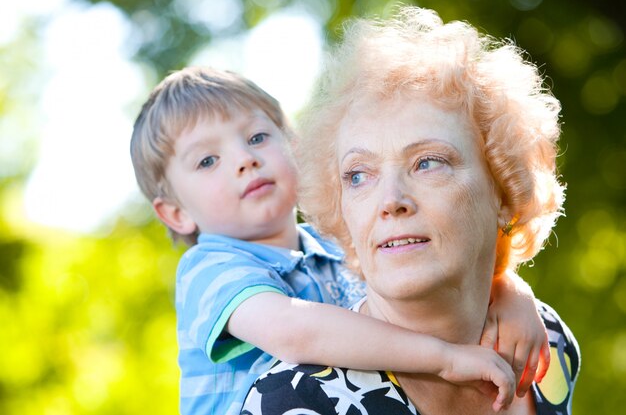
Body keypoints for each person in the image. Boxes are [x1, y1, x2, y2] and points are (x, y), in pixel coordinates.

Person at [130, 66, 549, 415]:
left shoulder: (332, 245)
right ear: (176, 213)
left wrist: (510, 289)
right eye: (207, 160)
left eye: (257, 137)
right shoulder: (209, 268)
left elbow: (422, 273)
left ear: (294, 147)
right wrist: (444, 357)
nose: (245, 160)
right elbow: (295, 333)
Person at [241, 6, 580, 415]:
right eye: (358, 175)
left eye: (427, 162)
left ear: (504, 190)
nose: (390, 201)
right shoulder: (295, 401)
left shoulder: (549, 344)